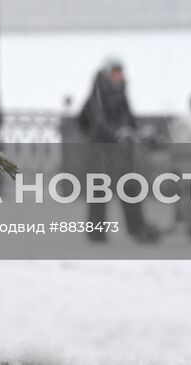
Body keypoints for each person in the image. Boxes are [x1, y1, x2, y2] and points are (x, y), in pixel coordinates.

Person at [78, 58, 157, 242]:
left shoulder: (120, 92)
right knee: (99, 188)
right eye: (115, 73)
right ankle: (96, 231)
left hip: (121, 149)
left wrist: (136, 131)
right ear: (107, 74)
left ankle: (136, 228)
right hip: (101, 149)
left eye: (119, 73)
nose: (118, 77)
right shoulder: (98, 93)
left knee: (129, 186)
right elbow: (98, 121)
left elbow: (129, 118)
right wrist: (117, 133)